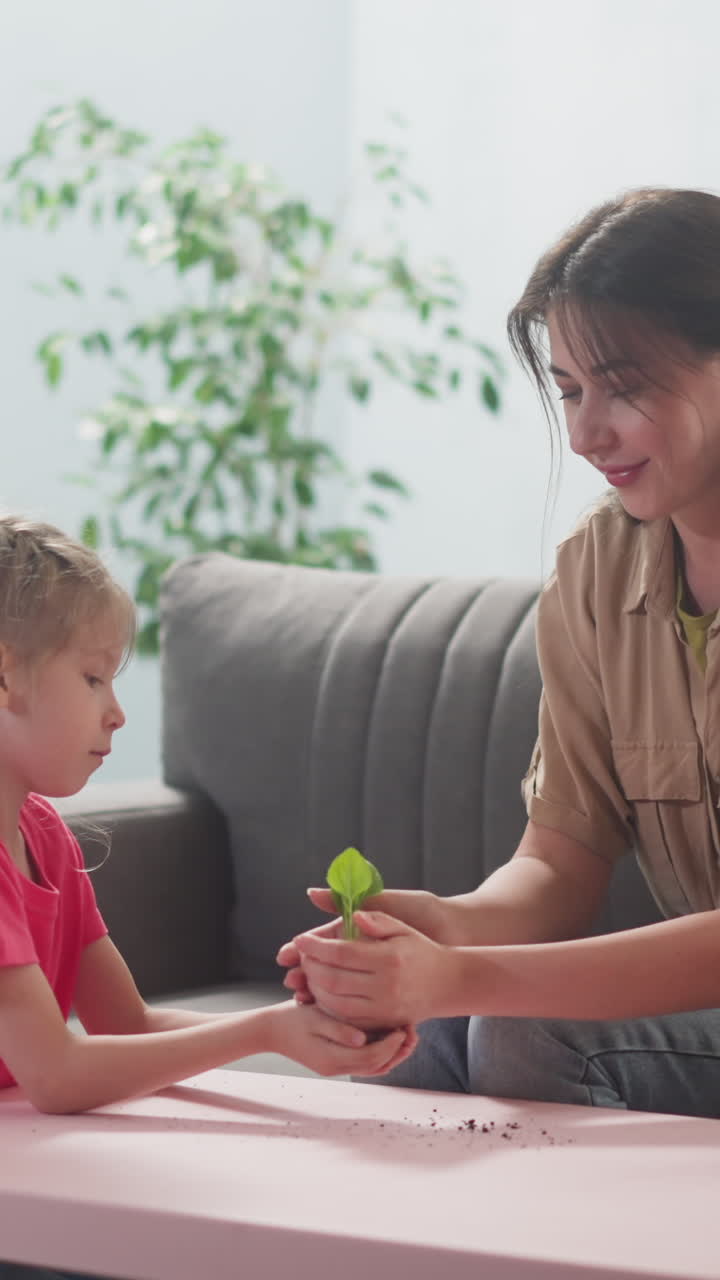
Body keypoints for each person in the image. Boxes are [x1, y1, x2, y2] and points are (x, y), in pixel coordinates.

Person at [278, 186, 720, 1120]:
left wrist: (471, 974)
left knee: (519, 1024)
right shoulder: (598, 569)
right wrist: (446, 931)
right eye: (568, 390)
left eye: (624, 385)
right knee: (412, 1032)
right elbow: (559, 861)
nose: (587, 431)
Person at [0, 516, 415, 1280]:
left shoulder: (47, 839)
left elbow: (125, 1025)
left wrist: (297, 1027)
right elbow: (57, 1076)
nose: (117, 711)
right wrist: (262, 1031)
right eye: (94, 678)